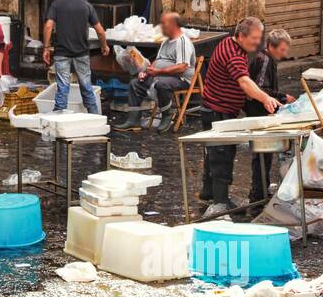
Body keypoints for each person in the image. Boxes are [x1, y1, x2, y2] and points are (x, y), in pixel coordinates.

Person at [199, 16, 281, 216]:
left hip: (216, 108)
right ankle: (219, 201)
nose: (258, 42)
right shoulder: (234, 54)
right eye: (254, 38)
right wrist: (265, 98)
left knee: (215, 153)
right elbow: (244, 83)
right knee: (222, 154)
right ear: (241, 36)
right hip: (217, 111)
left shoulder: (229, 43)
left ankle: (209, 191)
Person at [117, 11, 196, 132]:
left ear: (173, 25)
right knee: (135, 83)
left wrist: (159, 71)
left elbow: (182, 67)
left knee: (161, 83)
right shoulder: (166, 41)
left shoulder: (182, 41)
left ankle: (167, 114)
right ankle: (133, 120)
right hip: (161, 75)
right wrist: (147, 72)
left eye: (164, 24)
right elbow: (158, 60)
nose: (161, 26)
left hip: (180, 79)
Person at [42, 0, 108, 114]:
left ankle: (58, 118)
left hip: (61, 53)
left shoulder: (56, 5)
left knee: (63, 87)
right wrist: (104, 46)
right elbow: (100, 31)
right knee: (86, 86)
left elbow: (48, 27)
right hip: (82, 53)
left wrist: (46, 48)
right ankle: (94, 117)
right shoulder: (87, 6)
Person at [247, 27, 296, 203]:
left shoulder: (267, 59)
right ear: (271, 46)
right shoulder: (264, 60)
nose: (285, 53)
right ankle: (258, 194)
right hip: (259, 112)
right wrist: (283, 97)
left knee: (264, 153)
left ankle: (260, 191)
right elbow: (261, 89)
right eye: (282, 49)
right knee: (262, 153)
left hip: (262, 111)